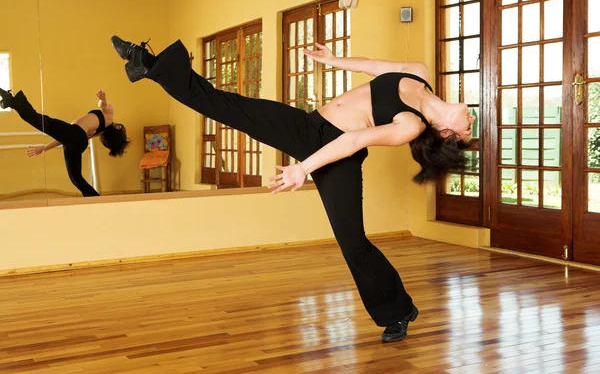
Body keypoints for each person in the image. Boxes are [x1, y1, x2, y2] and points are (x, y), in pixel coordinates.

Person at [110, 35, 475, 342]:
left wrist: (303, 168)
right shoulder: (419, 75)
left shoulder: (409, 124)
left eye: (467, 129)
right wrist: (334, 59)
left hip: (334, 154)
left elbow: (352, 141)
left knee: (352, 241)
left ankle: (397, 311)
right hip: (307, 125)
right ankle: (148, 63)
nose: (471, 119)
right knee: (228, 106)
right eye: (470, 123)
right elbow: (372, 66)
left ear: (445, 132)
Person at [0, 88, 130, 197]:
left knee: (39, 120)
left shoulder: (109, 118)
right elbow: (66, 137)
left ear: (118, 129)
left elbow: (103, 107)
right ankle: (97, 201)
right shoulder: (101, 127)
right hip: (76, 141)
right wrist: (45, 147)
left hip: (75, 136)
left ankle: (15, 101)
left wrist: (103, 99)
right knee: (76, 178)